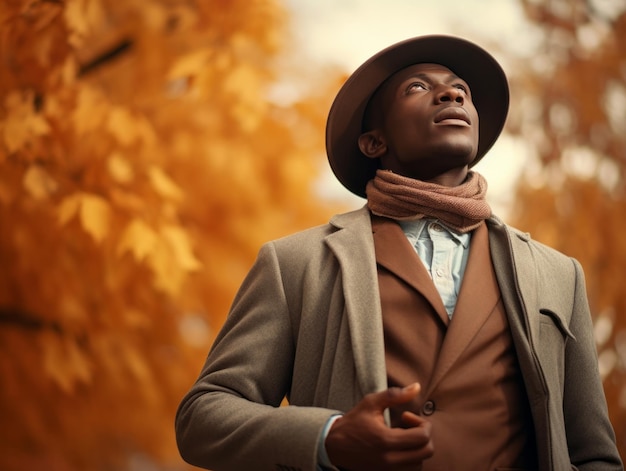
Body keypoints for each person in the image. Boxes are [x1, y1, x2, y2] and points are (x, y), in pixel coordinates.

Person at [175, 35, 623, 471]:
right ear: (374, 143)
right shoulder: (296, 262)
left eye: (460, 90)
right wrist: (327, 437)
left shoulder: (559, 274)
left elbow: (593, 454)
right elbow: (202, 417)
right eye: (418, 87)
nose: (450, 92)